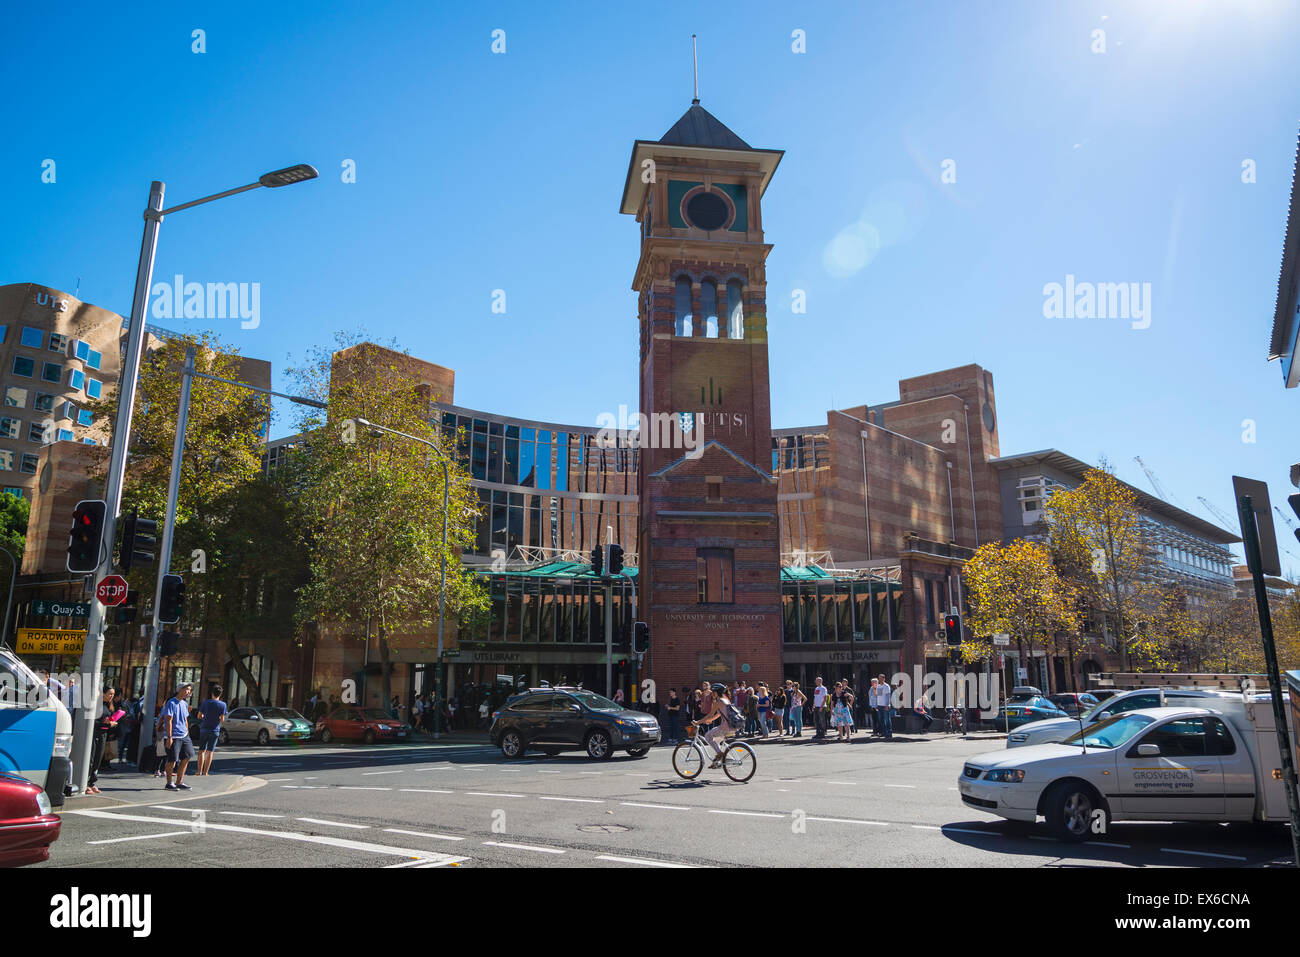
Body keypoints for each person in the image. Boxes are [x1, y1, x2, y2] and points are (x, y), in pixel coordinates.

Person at [160, 683, 195, 790]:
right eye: (187, 689)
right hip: (173, 736)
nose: (189, 692)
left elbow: (185, 719)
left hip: (184, 735)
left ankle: (179, 782)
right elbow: (168, 720)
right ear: (180, 689)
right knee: (172, 760)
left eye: (190, 690)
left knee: (187, 756)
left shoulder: (184, 703)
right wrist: (169, 737)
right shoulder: (171, 703)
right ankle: (169, 783)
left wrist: (187, 731)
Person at [695, 683, 738, 767]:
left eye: (713, 692)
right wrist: (709, 720)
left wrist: (698, 722)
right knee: (716, 741)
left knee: (707, 736)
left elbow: (710, 714)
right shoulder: (726, 700)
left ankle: (720, 755)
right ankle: (719, 761)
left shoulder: (719, 702)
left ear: (716, 693)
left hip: (725, 727)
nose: (712, 694)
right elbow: (718, 714)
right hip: (731, 727)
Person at [86, 686, 118, 795]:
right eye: (110, 693)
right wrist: (108, 724)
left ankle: (91, 782)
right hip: (95, 734)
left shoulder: (107, 706)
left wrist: (110, 723)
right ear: (103, 693)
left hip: (103, 735)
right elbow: (92, 723)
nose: (111, 696)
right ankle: (85, 783)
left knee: (98, 759)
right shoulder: (96, 705)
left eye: (113, 694)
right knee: (91, 759)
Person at [195, 684, 227, 776]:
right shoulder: (223, 704)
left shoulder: (205, 702)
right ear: (220, 694)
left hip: (204, 729)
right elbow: (222, 719)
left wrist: (205, 716)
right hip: (215, 730)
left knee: (201, 751)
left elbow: (199, 716)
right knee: (210, 751)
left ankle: (199, 771)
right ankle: (205, 772)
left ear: (212, 693)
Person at [875, 673, 894, 740]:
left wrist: (887, 704)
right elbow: (878, 696)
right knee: (881, 720)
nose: (879, 679)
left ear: (884, 678)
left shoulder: (886, 686)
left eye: (881, 678)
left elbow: (888, 696)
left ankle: (889, 733)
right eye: (879, 678)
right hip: (879, 705)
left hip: (885, 705)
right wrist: (876, 704)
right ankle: (884, 732)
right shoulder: (878, 686)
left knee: (887, 719)